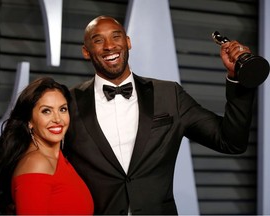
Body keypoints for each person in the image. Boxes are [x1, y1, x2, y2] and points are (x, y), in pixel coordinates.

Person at [64, 15, 256, 215]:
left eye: (116, 36)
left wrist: (238, 79)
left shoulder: (168, 94)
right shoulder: (67, 102)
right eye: (98, 40)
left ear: (128, 42)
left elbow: (231, 142)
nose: (109, 46)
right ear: (86, 52)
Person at [0, 77, 94, 215]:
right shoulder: (36, 164)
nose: (57, 119)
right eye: (46, 111)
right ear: (29, 121)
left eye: (62, 109)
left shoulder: (58, 158)